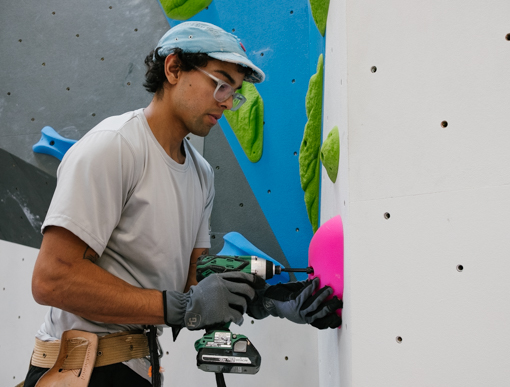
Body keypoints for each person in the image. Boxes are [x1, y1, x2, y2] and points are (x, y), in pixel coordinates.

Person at [24, 21, 341, 387]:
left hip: (137, 367)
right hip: (81, 370)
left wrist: (270, 301)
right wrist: (181, 307)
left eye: (235, 93)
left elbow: (194, 281)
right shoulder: (114, 147)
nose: (227, 101)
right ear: (174, 68)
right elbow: (52, 278)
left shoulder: (201, 174)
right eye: (220, 83)